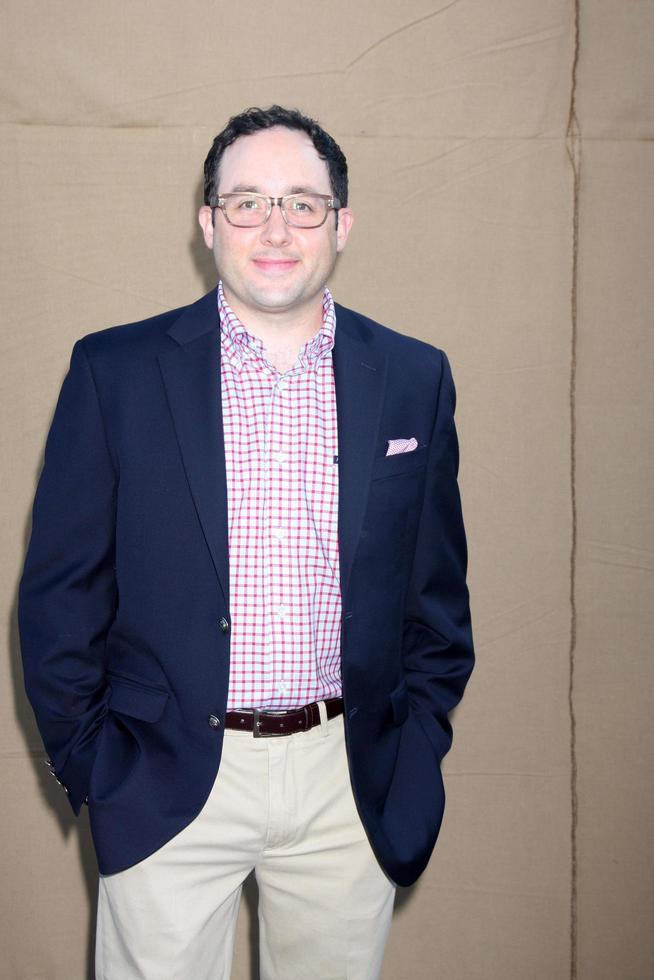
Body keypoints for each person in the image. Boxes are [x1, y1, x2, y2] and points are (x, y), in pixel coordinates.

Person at [18, 105, 474, 979]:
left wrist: (414, 748)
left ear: (342, 223)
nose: (275, 228)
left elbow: (437, 594)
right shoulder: (113, 373)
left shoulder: (417, 378)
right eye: (246, 203)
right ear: (207, 222)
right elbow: (59, 598)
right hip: (165, 774)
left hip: (349, 783)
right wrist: (97, 769)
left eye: (303, 204)